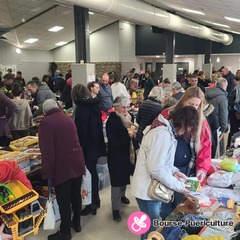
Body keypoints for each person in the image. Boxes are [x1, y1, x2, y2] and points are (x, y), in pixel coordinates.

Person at [131, 106, 199, 240]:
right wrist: (179, 187)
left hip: (150, 188)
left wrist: (175, 171)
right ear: (183, 123)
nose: (188, 132)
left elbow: (159, 160)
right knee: (153, 230)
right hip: (147, 191)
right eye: (189, 128)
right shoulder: (161, 134)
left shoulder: (165, 131)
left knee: (150, 227)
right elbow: (156, 168)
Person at [160, 86, 212, 219]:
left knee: (181, 204)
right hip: (166, 167)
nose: (193, 107)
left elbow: (205, 146)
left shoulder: (202, 120)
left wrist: (202, 169)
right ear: (183, 101)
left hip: (186, 170)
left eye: (196, 105)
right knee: (164, 202)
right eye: (190, 103)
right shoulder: (167, 114)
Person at [38, 99, 85, 240]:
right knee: (75, 196)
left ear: (45, 112)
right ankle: (76, 223)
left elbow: (47, 151)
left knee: (63, 201)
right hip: (76, 162)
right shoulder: (67, 118)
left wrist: (47, 173)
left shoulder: (46, 123)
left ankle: (65, 232)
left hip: (62, 166)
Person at [72, 84, 106, 216]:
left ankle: (90, 203)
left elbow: (81, 131)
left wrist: (78, 148)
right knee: (93, 172)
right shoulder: (94, 105)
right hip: (96, 144)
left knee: (87, 175)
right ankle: (95, 200)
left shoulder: (81, 109)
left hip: (86, 146)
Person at [106, 96, 136, 222]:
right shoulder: (112, 121)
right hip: (116, 155)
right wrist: (128, 136)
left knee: (124, 179)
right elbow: (113, 142)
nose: (125, 109)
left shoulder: (130, 118)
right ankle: (115, 209)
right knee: (116, 183)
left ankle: (123, 196)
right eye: (123, 107)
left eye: (127, 107)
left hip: (127, 154)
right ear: (116, 107)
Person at [205, 78, 228, 157]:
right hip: (216, 125)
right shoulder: (222, 97)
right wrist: (224, 128)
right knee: (214, 148)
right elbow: (223, 113)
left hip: (205, 123)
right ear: (223, 85)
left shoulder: (207, 94)